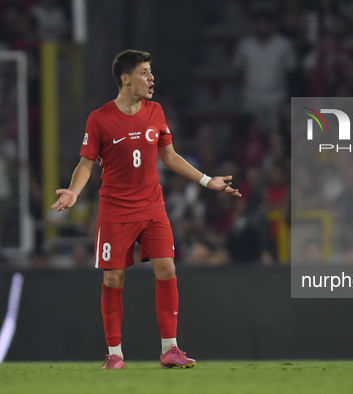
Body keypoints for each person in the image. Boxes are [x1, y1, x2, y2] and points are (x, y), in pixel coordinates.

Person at [50, 50, 241, 370]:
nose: (151, 79)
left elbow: (170, 157)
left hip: (153, 206)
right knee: (113, 278)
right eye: (144, 72)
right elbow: (86, 165)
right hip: (115, 210)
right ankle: (115, 354)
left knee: (167, 269)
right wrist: (74, 191)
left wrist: (208, 181)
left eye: (151, 72)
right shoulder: (99, 119)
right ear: (125, 79)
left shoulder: (156, 112)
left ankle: (170, 349)